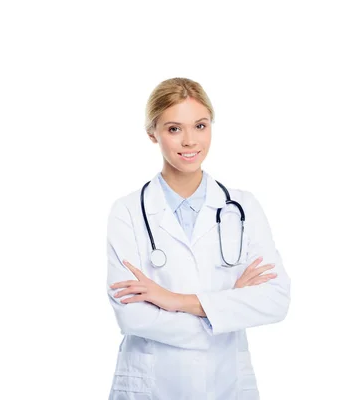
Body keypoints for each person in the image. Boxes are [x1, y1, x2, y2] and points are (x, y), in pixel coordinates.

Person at [106, 77, 291, 400]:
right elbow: (132, 316)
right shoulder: (128, 212)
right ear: (153, 133)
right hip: (151, 385)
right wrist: (226, 307)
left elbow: (275, 301)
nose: (190, 141)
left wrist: (174, 300)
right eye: (174, 129)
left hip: (227, 383)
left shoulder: (243, 207)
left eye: (200, 126)